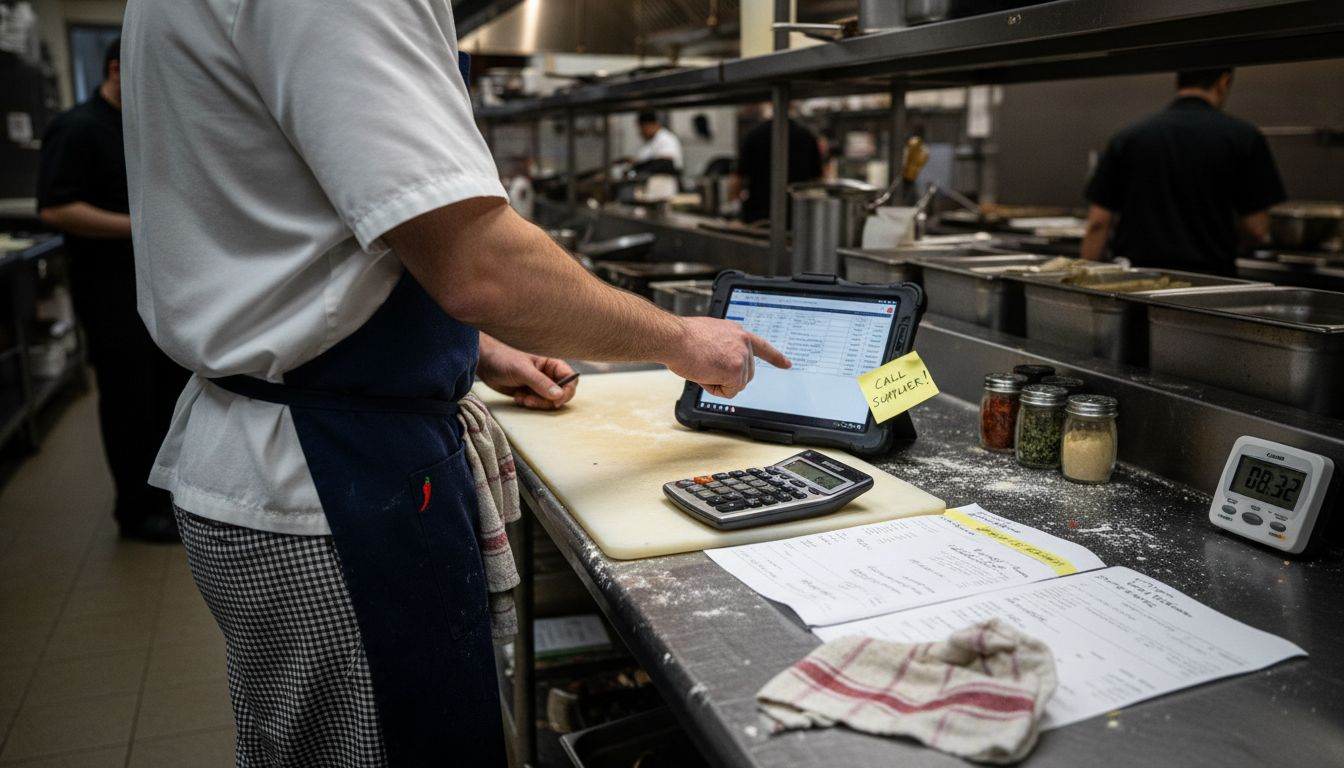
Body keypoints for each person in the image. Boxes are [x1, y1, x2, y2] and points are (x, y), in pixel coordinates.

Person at [120, 1, 788, 765]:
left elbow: (308, 237)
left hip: (302, 444)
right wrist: (681, 340)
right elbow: (483, 267)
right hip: (333, 479)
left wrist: (472, 351)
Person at [35, 38, 188, 543]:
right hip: (108, 287)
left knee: (166, 392)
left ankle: (165, 494)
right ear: (118, 68)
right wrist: (138, 226)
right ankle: (135, 509)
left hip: (159, 286)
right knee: (127, 399)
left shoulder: (144, 127)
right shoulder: (77, 127)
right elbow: (56, 209)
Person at [1081, 68, 1287, 275]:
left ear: (1178, 82)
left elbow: (1098, 223)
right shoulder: (1244, 137)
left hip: (1137, 280)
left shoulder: (1128, 138)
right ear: (1224, 82)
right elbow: (1257, 229)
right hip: (1209, 281)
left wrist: (1084, 281)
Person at [734, 115, 824, 224]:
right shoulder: (807, 136)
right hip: (797, 216)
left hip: (758, 216)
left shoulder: (753, 134)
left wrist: (734, 208)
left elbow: (737, 179)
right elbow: (818, 180)